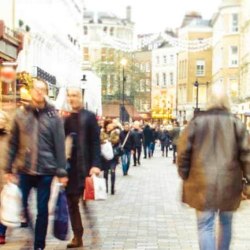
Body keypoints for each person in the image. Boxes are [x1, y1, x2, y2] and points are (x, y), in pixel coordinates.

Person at [177, 86, 250, 250]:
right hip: (229, 183)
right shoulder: (236, 124)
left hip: (201, 182)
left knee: (205, 225)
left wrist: (184, 174)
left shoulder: (196, 123)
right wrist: (248, 181)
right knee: (226, 222)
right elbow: (247, 155)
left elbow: (183, 152)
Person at [4, 78, 68, 250]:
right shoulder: (20, 114)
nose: (39, 92)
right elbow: (13, 143)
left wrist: (62, 171)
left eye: (42, 89)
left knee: (42, 209)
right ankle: (31, 232)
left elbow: (60, 145)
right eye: (36, 89)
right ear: (32, 92)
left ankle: (39, 244)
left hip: (46, 170)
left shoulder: (54, 116)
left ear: (46, 93)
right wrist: (8, 168)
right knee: (22, 205)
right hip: (24, 168)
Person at [64, 87, 101, 248]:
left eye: (75, 95)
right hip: (70, 168)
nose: (72, 98)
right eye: (70, 95)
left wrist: (95, 164)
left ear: (81, 97)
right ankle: (77, 236)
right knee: (72, 203)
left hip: (85, 166)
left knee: (85, 201)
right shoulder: (65, 119)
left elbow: (95, 142)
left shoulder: (89, 117)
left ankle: (92, 229)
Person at [100, 119, 120, 194]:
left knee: (112, 171)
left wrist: (108, 139)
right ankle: (105, 188)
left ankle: (112, 187)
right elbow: (100, 140)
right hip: (104, 155)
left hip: (113, 155)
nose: (109, 126)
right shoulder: (102, 132)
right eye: (108, 125)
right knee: (105, 172)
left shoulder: (115, 132)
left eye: (110, 125)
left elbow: (116, 140)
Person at [0, 111, 10, 244]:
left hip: (5, 175)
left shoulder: (9, 136)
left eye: (2, 118)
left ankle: (1, 232)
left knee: (3, 205)